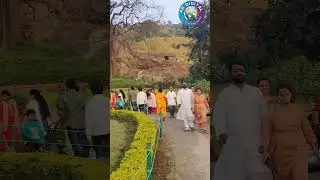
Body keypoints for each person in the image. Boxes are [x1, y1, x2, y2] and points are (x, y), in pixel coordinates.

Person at [213, 62, 271, 180]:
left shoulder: (255, 92)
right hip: (233, 141)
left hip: (254, 140)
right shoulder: (225, 94)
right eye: (235, 71)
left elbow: (264, 115)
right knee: (233, 171)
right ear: (230, 74)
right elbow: (219, 115)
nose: (239, 73)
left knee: (256, 171)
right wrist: (221, 132)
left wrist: (264, 141)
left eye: (241, 71)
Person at [261, 84, 319, 180]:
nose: (284, 97)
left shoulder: (297, 109)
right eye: (281, 94)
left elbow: (307, 129)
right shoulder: (272, 110)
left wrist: (314, 147)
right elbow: (266, 132)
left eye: (286, 94)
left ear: (291, 95)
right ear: (278, 96)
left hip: (298, 150)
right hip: (280, 153)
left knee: (300, 175)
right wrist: (265, 152)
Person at [56, 78, 89, 157]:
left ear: (66, 86)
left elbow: (62, 112)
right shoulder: (81, 95)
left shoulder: (63, 97)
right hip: (82, 124)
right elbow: (85, 108)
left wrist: (61, 123)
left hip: (71, 124)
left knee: (75, 146)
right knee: (84, 145)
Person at [85, 78, 109, 160]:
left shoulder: (89, 103)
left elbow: (88, 121)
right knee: (108, 155)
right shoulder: (107, 101)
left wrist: (88, 135)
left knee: (99, 157)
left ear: (92, 90)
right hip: (108, 132)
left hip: (96, 134)